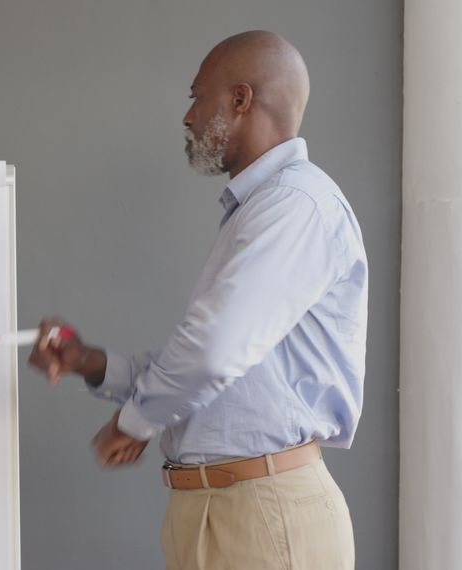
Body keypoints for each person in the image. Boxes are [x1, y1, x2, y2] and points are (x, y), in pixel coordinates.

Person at [30, 31, 365, 569]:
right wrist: (92, 362)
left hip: (264, 515)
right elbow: (220, 375)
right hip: (223, 510)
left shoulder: (295, 205)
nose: (187, 116)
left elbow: (212, 353)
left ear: (240, 100)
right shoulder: (261, 209)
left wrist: (133, 422)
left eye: (197, 95)